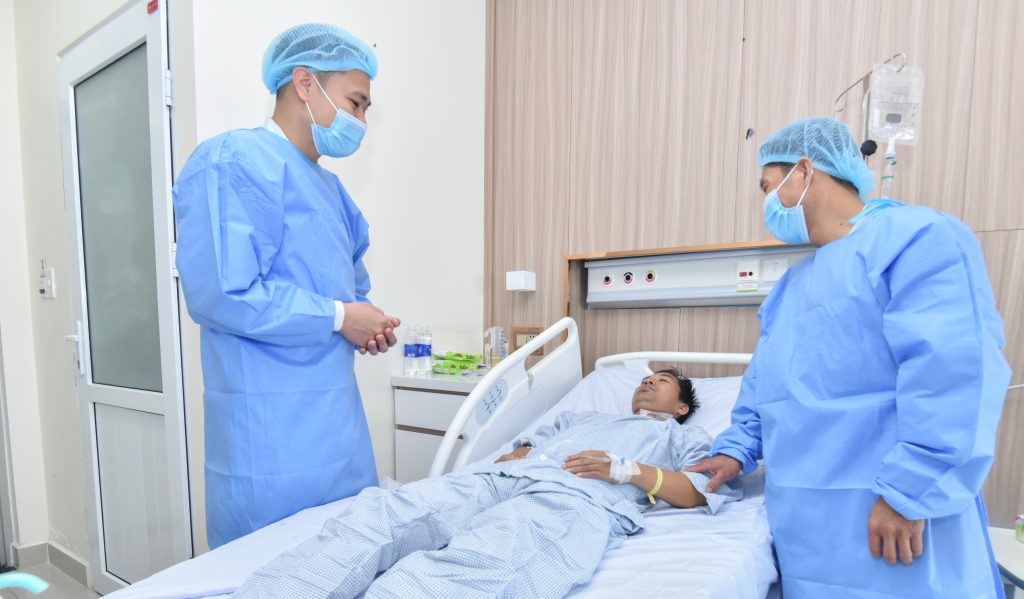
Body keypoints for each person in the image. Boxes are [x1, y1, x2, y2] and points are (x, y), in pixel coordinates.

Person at [687, 117, 1011, 598]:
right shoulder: (791, 287)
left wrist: (909, 491)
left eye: (767, 186)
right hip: (802, 522)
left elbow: (951, 371)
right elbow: (765, 385)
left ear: (803, 170)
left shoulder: (917, 237)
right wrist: (736, 450)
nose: (766, 202)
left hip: (894, 514)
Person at [173, 23, 400, 548]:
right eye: (356, 102)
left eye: (366, 109)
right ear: (304, 83)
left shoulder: (333, 194)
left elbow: (349, 290)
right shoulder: (232, 162)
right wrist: (340, 318)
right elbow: (223, 294)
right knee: (267, 567)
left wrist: (366, 323)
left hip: (338, 434)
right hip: (269, 440)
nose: (361, 121)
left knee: (347, 557)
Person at [233, 370, 741, 598]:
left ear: (681, 405)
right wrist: (518, 451)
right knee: (382, 514)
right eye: (644, 377)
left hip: (575, 498)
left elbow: (699, 490)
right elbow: (522, 443)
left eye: (663, 380)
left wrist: (627, 471)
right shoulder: (582, 417)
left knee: (483, 561)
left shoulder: (682, 436)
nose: (648, 380)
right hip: (500, 478)